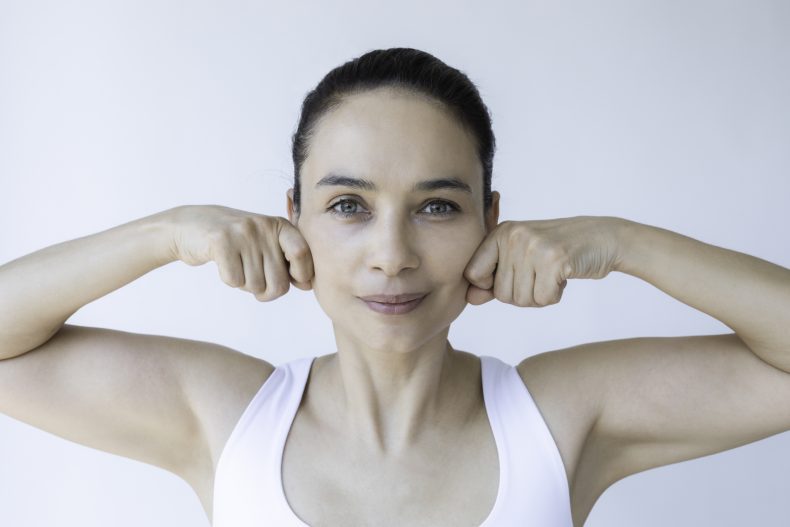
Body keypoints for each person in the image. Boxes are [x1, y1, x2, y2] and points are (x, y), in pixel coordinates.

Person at [0, 47, 788, 527]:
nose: (392, 254)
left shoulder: (558, 419)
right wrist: (165, 233)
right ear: (292, 217)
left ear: (494, 220)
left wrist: (622, 241)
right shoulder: (227, 417)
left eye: (437, 206)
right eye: (348, 205)